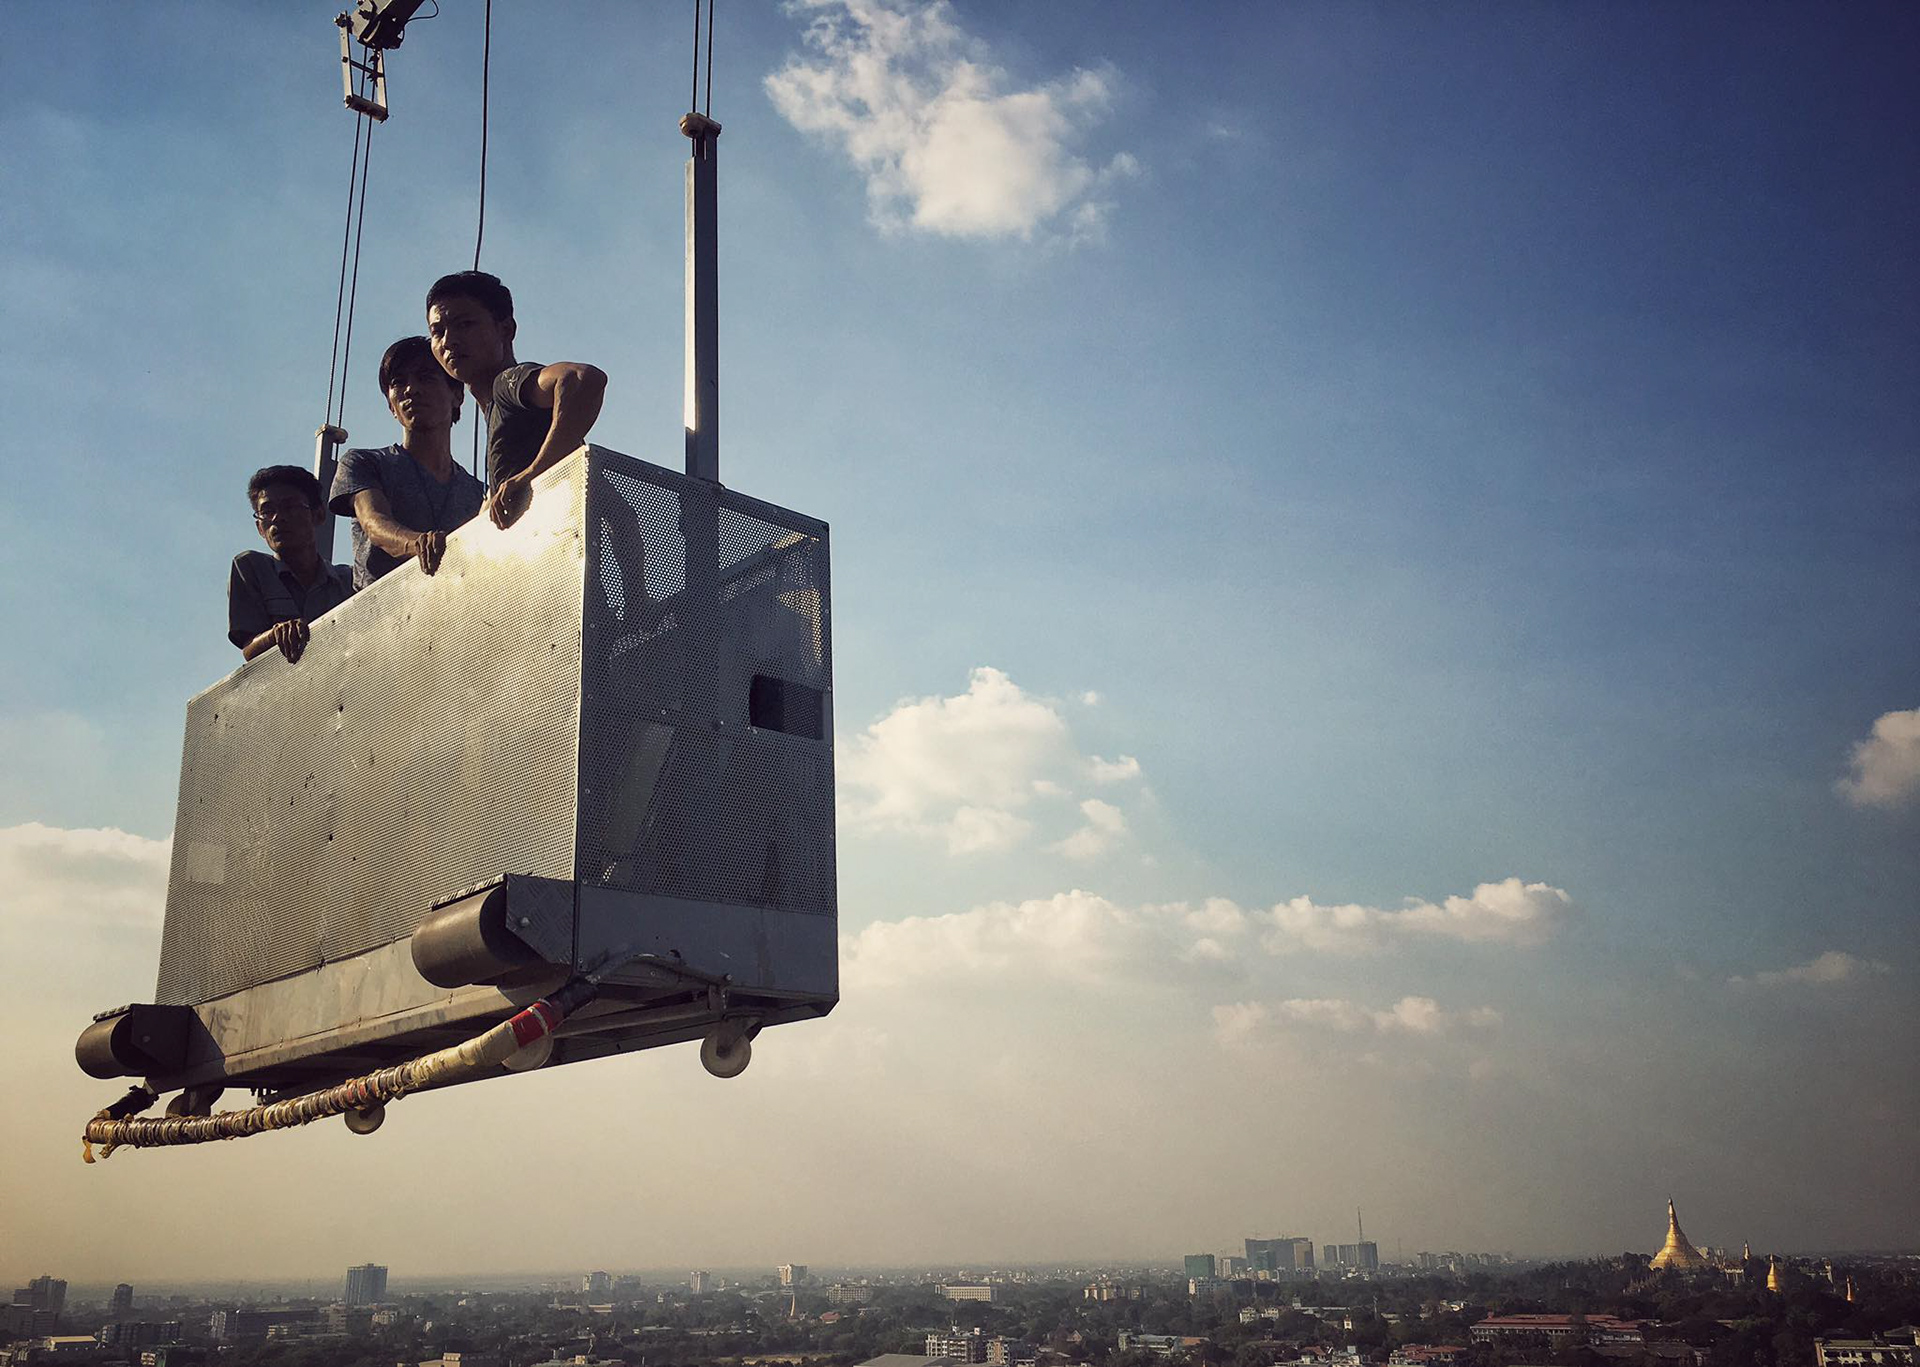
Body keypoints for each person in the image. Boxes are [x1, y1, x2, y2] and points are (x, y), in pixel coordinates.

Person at [424, 271, 607, 529]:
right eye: (437, 331)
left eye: (465, 324)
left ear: (505, 329)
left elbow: (581, 379)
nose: (449, 341)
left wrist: (534, 474)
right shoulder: (497, 408)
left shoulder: (508, 384)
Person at [329, 335, 486, 588]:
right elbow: (373, 522)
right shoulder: (364, 463)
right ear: (391, 406)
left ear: (457, 395)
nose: (411, 390)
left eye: (426, 377)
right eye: (398, 382)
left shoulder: (478, 493)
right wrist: (417, 543)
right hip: (383, 607)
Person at [228, 465, 355, 663]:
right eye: (267, 511)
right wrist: (275, 634)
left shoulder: (348, 580)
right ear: (259, 527)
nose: (277, 518)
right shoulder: (251, 567)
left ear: (318, 515)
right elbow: (249, 649)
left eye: (290, 507)